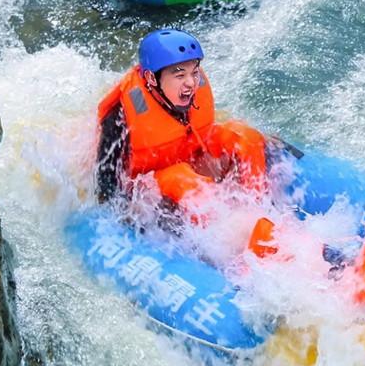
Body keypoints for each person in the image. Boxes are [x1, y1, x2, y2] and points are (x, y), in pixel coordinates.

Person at [95, 29, 275, 255]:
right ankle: (230, 243)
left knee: (245, 137)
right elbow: (106, 183)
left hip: (191, 155)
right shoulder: (120, 117)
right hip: (151, 184)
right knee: (182, 179)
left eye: (194, 72)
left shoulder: (189, 90)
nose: (191, 83)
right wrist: (125, 220)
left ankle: (259, 211)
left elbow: (200, 127)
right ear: (152, 79)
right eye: (179, 76)